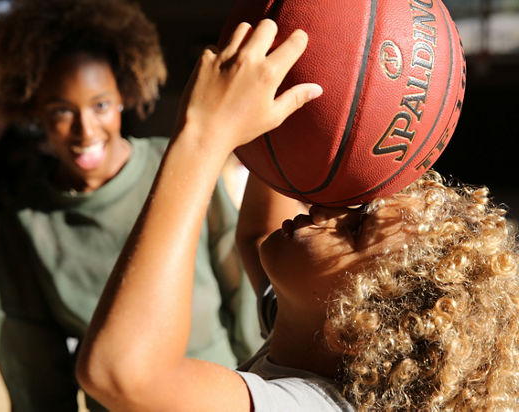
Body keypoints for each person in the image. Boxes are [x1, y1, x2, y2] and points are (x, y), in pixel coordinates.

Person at [76, 19, 519, 411]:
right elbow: (257, 235)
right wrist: (298, 111)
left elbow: (124, 374)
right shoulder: (316, 340)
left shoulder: (313, 403)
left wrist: (205, 133)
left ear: (354, 327)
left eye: (356, 226)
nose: (329, 209)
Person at [0, 0, 262, 410]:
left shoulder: (177, 166)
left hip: (219, 395)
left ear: (124, 95)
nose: (85, 129)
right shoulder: (27, 223)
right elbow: (30, 362)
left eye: (101, 105)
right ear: (34, 111)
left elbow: (242, 289)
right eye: (61, 111)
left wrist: (258, 386)